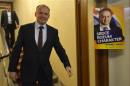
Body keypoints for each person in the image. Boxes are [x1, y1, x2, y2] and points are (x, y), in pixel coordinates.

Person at [8, 4, 72, 86]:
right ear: (35, 14)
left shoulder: (53, 32)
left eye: (46, 14)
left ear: (49, 16)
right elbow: (16, 50)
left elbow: (60, 50)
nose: (43, 16)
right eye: (40, 13)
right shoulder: (25, 29)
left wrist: (67, 64)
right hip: (28, 71)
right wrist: (12, 69)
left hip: (45, 71)